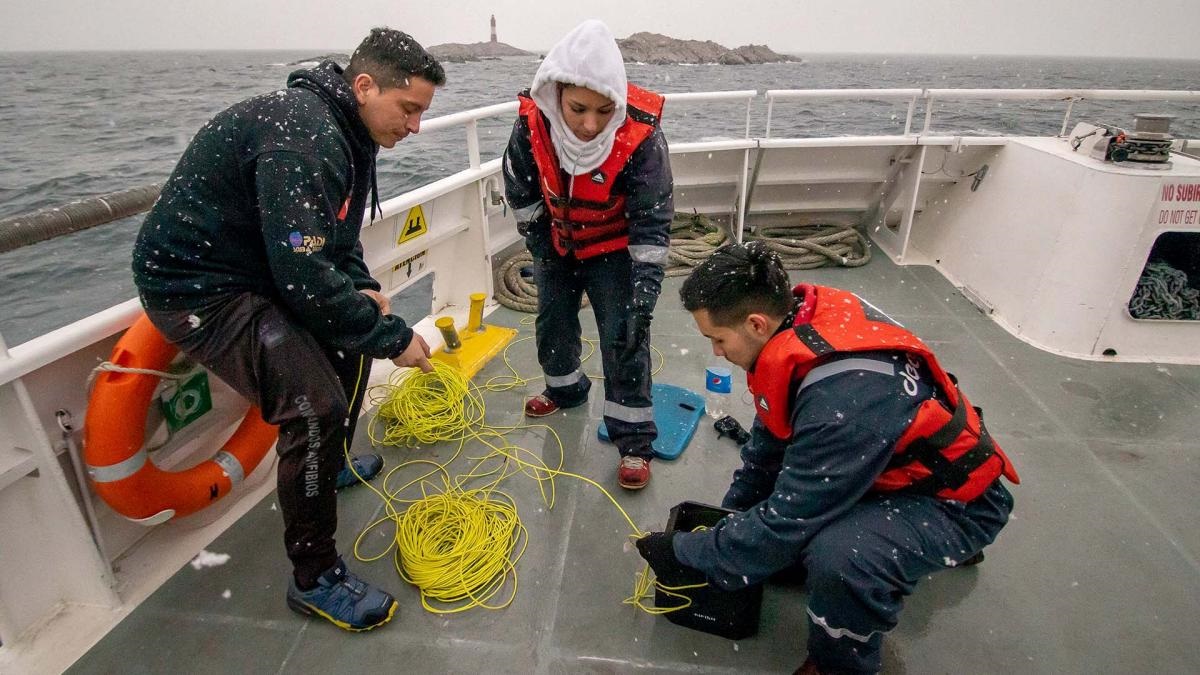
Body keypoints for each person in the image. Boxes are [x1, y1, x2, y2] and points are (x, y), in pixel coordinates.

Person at [131, 28, 444, 632]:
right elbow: (301, 272)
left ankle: (337, 468)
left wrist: (363, 291)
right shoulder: (305, 138)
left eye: (422, 113)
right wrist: (394, 338)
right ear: (363, 86)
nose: (415, 127)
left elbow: (336, 237)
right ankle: (315, 576)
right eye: (408, 109)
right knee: (313, 406)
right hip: (198, 284)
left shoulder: (350, 131)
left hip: (259, 265)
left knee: (354, 332)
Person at [636, 242, 1020, 673]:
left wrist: (690, 551)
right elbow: (771, 434)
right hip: (889, 462)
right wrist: (733, 515)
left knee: (840, 559)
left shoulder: (841, 407)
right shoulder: (803, 320)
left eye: (718, 339)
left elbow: (787, 522)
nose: (717, 353)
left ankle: (839, 663)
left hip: (956, 504)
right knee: (774, 546)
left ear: (756, 323)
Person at [502, 19, 673, 490]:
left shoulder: (642, 138)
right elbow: (521, 189)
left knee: (626, 336)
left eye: (604, 110)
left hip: (613, 251)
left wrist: (643, 293)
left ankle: (634, 440)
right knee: (552, 319)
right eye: (577, 108)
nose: (590, 123)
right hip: (556, 242)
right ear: (555, 92)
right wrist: (543, 248)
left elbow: (652, 221)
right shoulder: (530, 123)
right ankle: (565, 389)